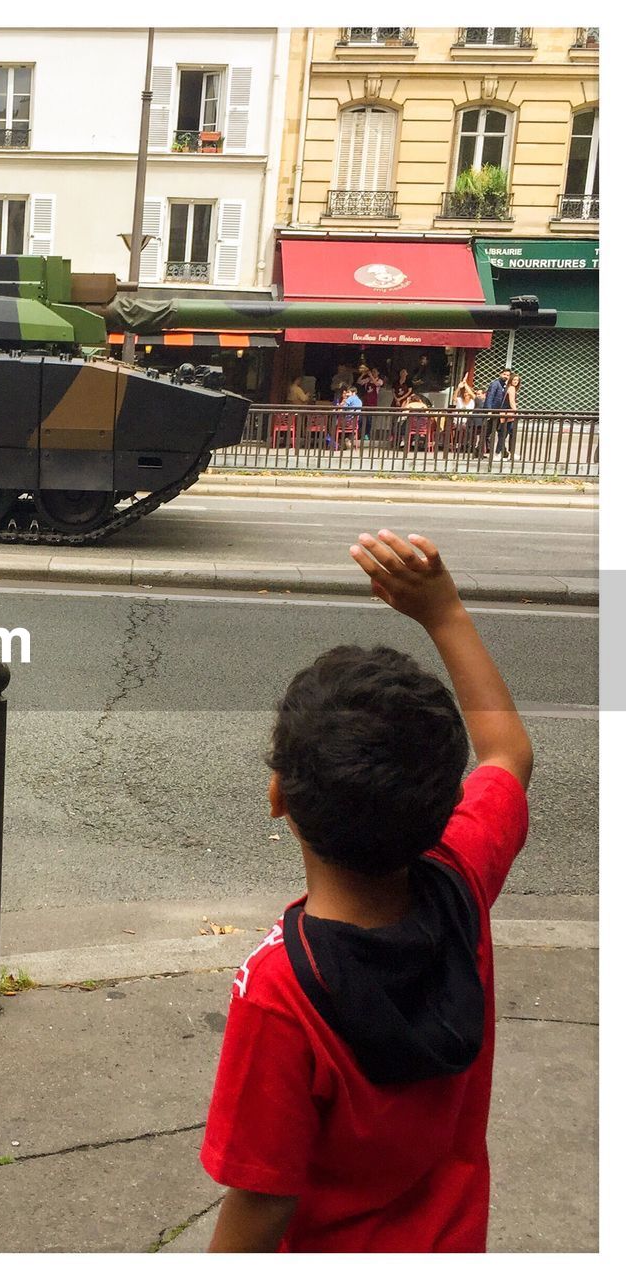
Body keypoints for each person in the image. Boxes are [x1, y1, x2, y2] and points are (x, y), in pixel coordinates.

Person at [201, 529, 532, 1252]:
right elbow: (507, 753)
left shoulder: (279, 992)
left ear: (277, 795)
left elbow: (260, 1205)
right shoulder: (462, 880)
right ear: (444, 804)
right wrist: (444, 612)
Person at [482, 367, 513, 455]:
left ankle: (502, 451)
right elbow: (490, 397)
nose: (506, 376)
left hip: (500, 413)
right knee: (487, 432)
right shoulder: (495, 384)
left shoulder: (505, 385)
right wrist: (489, 410)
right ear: (500, 374)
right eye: (504, 374)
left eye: (508, 375)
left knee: (501, 432)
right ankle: (481, 450)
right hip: (493, 412)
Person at [496, 373, 519, 460]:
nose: (516, 382)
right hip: (508, 413)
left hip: (506, 413)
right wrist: (516, 411)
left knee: (509, 433)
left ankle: (509, 453)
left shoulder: (507, 388)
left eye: (517, 380)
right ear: (511, 380)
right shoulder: (512, 388)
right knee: (504, 434)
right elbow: (512, 401)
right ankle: (498, 453)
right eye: (514, 380)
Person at [453, 379, 477, 452]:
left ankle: (467, 445)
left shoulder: (473, 401)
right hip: (458, 421)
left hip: (468, 421)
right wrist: (459, 388)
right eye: (464, 393)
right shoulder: (459, 400)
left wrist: (465, 384)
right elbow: (454, 398)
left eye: (467, 393)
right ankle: (458, 445)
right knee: (461, 427)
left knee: (470, 428)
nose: (466, 394)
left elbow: (473, 395)